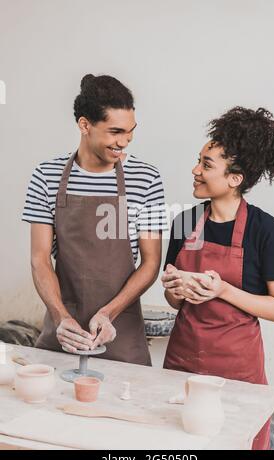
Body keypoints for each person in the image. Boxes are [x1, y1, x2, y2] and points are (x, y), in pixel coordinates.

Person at [161, 106, 274, 449]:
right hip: (182, 366)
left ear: (235, 178)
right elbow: (174, 302)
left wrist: (223, 290)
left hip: (238, 375)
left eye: (207, 165)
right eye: (198, 160)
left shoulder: (266, 231)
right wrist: (174, 289)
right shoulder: (184, 223)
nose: (195, 170)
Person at [22, 74, 167, 365]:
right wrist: (61, 317)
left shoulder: (147, 179)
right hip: (62, 333)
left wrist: (108, 313)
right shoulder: (46, 176)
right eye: (115, 131)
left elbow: (151, 263)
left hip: (121, 333)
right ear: (85, 125)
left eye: (130, 131)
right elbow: (40, 259)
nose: (124, 142)